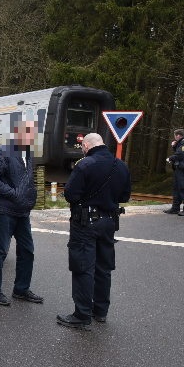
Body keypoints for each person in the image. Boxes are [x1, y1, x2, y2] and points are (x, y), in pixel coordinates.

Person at [57, 133, 131, 330]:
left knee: (83, 267)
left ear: (87, 145)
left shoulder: (84, 165)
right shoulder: (121, 165)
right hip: (109, 222)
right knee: (104, 267)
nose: (82, 148)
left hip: (85, 223)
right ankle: (100, 311)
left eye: (82, 145)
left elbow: (71, 194)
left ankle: (82, 314)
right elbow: (125, 196)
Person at [0, 117, 43, 306]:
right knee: (0, 251)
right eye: (29, 132)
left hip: (22, 212)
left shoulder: (28, 154)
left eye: (33, 133)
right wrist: (14, 194)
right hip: (5, 211)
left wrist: (30, 199)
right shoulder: (5, 152)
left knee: (27, 251)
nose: (32, 136)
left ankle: (21, 289)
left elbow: (26, 182)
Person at [164, 128, 184, 215]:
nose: (175, 138)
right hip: (179, 169)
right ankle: (175, 208)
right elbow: (178, 152)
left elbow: (180, 154)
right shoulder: (181, 142)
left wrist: (170, 158)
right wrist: (174, 146)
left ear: (178, 135)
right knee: (176, 189)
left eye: (175, 136)